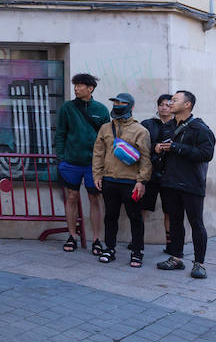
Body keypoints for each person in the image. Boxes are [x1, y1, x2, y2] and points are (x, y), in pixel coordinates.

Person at [155, 90, 215, 279]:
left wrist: (176, 148)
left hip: (192, 183)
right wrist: (158, 148)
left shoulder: (200, 128)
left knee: (196, 223)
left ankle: (200, 263)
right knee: (174, 222)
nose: (170, 103)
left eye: (174, 100)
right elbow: (163, 147)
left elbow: (206, 154)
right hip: (170, 182)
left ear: (187, 105)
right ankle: (176, 258)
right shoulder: (169, 126)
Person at [91, 92, 153, 267]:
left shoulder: (140, 130)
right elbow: (98, 154)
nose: (118, 105)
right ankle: (109, 248)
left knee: (135, 217)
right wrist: (97, 175)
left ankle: (137, 252)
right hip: (109, 180)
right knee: (110, 216)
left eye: (122, 102)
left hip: (131, 182)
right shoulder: (105, 128)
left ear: (131, 106)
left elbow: (146, 159)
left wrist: (141, 181)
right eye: (115, 102)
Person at [53, 73, 109, 254]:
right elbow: (60, 133)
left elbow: (106, 138)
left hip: (94, 164)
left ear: (90, 88)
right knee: (71, 197)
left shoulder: (101, 109)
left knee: (95, 198)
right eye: (75, 85)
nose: (76, 88)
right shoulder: (67, 108)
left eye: (79, 85)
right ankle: (72, 236)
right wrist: (61, 158)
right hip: (71, 162)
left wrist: (104, 162)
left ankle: (97, 239)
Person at [143, 93, 175, 250]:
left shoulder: (177, 126)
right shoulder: (148, 124)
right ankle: (137, 239)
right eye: (161, 104)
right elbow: (140, 146)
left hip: (170, 174)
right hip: (150, 172)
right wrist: (154, 148)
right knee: (142, 206)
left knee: (169, 209)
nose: (164, 107)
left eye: (168, 105)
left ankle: (170, 243)